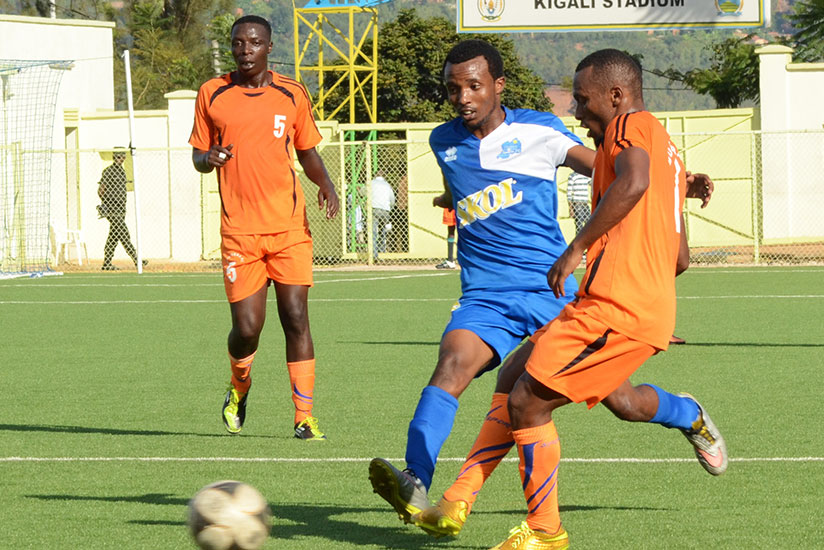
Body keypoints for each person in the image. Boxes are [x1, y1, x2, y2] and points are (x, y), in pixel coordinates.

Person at [486, 49, 727, 549]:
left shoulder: (627, 126)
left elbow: (633, 180)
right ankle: (688, 414)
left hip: (617, 307)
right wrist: (672, 196)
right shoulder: (667, 150)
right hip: (637, 310)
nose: (576, 110)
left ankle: (544, 533)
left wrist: (578, 247)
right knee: (625, 402)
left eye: (581, 98)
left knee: (526, 398)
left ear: (615, 96)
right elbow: (679, 258)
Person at [368, 39, 596, 524]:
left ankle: (686, 415)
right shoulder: (442, 141)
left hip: (550, 289)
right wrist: (447, 201)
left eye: (474, 85)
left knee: (621, 397)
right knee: (451, 364)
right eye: (454, 88)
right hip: (486, 295)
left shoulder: (538, 129)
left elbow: (610, 173)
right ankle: (416, 479)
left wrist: (674, 181)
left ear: (498, 85)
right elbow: (461, 186)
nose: (463, 97)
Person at [189, 15, 339, 442]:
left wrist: (325, 183)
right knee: (248, 328)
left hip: (288, 228)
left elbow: (308, 150)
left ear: (269, 47)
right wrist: (210, 158)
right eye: (238, 42)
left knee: (295, 317)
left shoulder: (291, 94)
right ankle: (239, 388)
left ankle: (304, 417)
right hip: (239, 232)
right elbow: (198, 156)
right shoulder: (212, 93)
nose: (245, 49)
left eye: (254, 42)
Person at [97, 149, 145, 270]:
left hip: (121, 209)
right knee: (123, 234)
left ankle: (107, 263)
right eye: (118, 156)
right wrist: (107, 204)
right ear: (114, 157)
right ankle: (137, 260)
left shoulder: (122, 171)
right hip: (113, 209)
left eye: (122, 156)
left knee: (113, 237)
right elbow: (101, 191)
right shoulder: (108, 171)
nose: (120, 158)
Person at [370, 171, 395, 260]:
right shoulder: (387, 185)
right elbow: (392, 199)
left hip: (374, 209)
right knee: (382, 232)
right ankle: (382, 252)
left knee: (373, 232)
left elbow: (363, 193)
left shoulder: (371, 183)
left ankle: (374, 255)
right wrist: (390, 208)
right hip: (385, 210)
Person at [434, 205, 457, 269]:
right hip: (450, 204)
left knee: (466, 231)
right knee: (451, 230)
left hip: (463, 202)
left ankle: (472, 260)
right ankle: (450, 261)